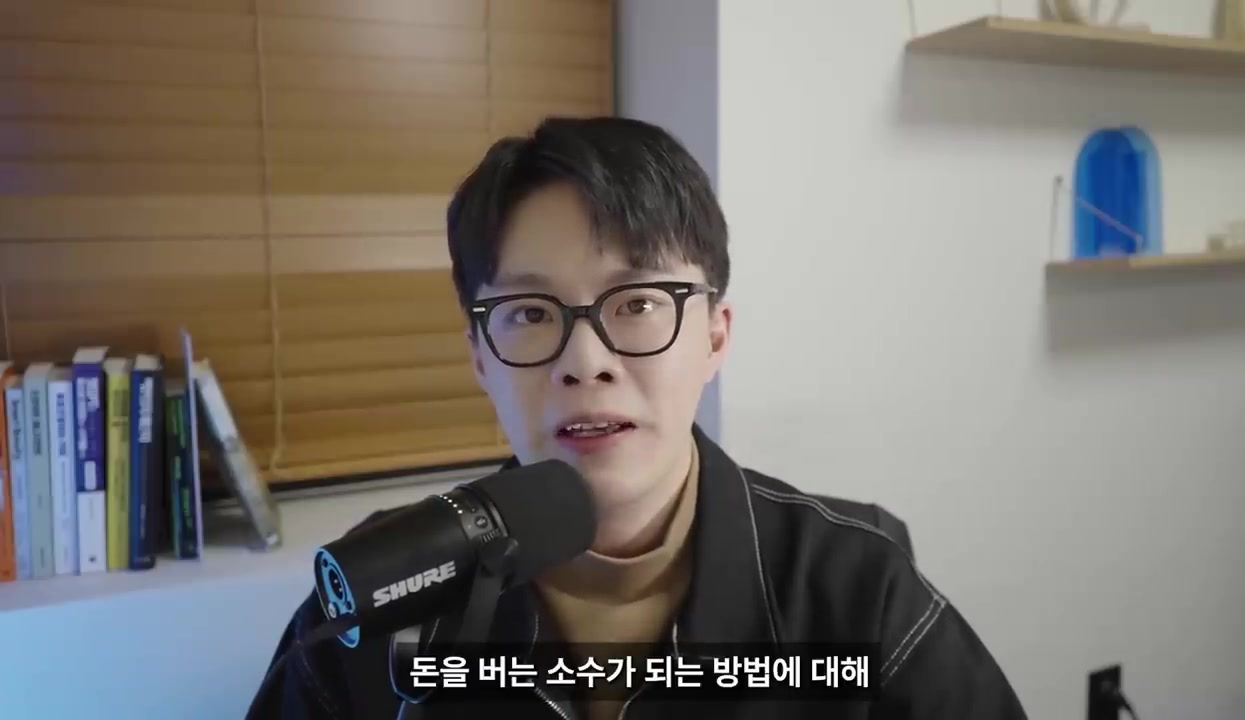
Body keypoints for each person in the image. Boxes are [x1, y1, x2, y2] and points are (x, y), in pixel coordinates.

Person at [246, 117, 1027, 720]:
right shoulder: (373, 601)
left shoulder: (856, 590)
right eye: (530, 313)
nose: (585, 361)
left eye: (640, 303)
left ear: (715, 336)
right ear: (479, 357)